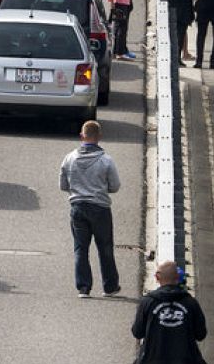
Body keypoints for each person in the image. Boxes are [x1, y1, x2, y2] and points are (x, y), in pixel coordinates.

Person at [59, 120, 122, 297]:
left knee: (80, 248)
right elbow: (115, 186)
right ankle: (110, 287)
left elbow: (63, 185)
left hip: (77, 207)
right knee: (105, 247)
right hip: (100, 208)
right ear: (99, 137)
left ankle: (83, 287)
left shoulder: (69, 158)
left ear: (82, 136)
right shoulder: (106, 160)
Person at [132, 261, 208, 363]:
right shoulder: (191, 303)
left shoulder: (147, 302)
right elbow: (201, 334)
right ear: (178, 279)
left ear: (157, 278)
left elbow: (137, 332)